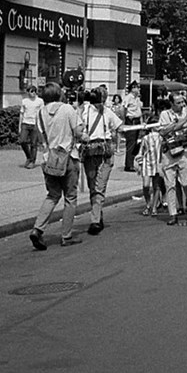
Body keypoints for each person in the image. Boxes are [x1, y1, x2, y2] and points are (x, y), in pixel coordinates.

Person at [28, 82, 85, 250]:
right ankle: (66, 236)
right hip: (68, 157)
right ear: (59, 94)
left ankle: (37, 229)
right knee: (70, 197)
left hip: (48, 158)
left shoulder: (40, 113)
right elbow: (78, 132)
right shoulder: (68, 109)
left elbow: (40, 137)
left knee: (52, 195)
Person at [77, 87, 123, 236]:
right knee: (92, 186)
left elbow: (119, 126)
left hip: (105, 153)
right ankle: (98, 214)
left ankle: (95, 220)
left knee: (99, 186)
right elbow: (76, 129)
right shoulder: (84, 111)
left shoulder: (108, 112)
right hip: (90, 153)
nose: (100, 103)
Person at [158, 92, 187, 225]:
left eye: (182, 102)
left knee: (185, 182)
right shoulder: (164, 115)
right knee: (170, 184)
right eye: (178, 103)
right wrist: (183, 122)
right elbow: (163, 131)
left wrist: (177, 125)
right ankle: (173, 213)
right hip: (169, 152)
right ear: (172, 104)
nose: (181, 105)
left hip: (184, 151)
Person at [18, 86, 44, 168]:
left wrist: (41, 126)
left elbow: (42, 113)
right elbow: (21, 114)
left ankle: (32, 161)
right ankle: (28, 157)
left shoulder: (40, 101)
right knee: (22, 141)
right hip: (25, 123)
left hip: (35, 124)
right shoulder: (24, 101)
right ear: (28, 92)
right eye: (31, 91)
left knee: (34, 144)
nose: (33, 93)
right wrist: (19, 126)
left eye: (34, 91)